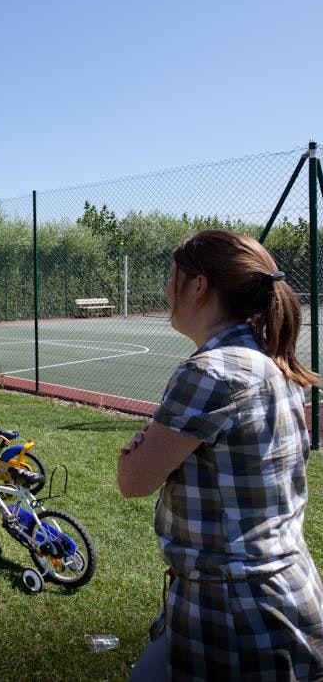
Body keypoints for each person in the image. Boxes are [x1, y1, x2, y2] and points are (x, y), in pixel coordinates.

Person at [118, 229, 323, 680]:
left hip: (235, 613)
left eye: (172, 278)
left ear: (199, 286)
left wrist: (141, 449)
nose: (166, 291)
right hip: (278, 594)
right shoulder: (269, 358)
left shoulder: (210, 372)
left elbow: (133, 480)